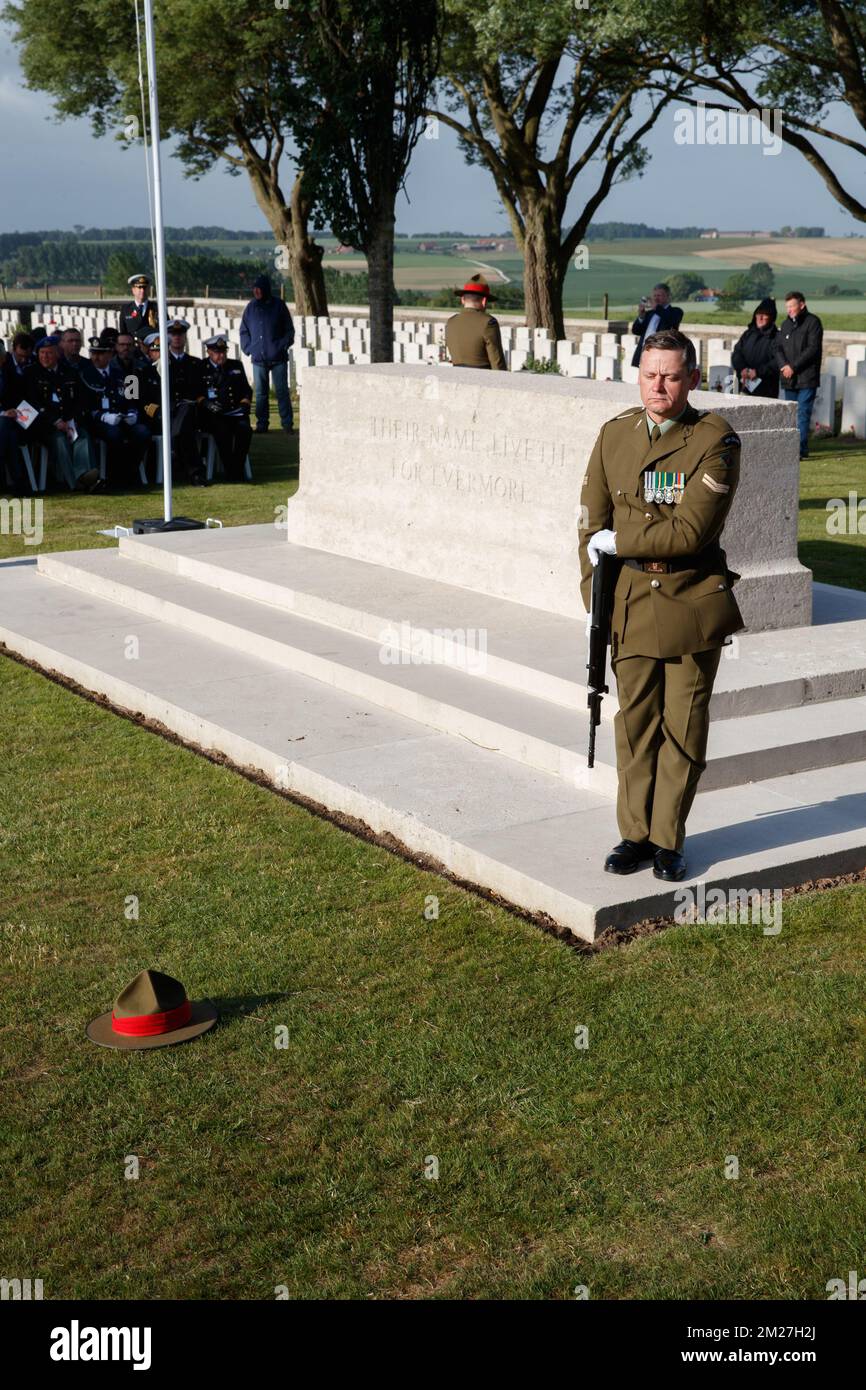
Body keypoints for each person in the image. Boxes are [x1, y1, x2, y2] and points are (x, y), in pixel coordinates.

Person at [578, 328, 745, 883]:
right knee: (634, 726)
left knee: (682, 727)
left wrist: (621, 545)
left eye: (672, 376)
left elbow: (690, 531)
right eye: (650, 375)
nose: (660, 386)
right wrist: (593, 603)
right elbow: (589, 525)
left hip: (689, 605)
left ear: (693, 379)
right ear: (639, 376)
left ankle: (669, 839)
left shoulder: (715, 441)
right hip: (627, 604)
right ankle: (634, 834)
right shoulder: (615, 434)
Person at [22, 334, 97, 491]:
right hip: (45, 426)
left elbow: (80, 400)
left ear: (58, 353)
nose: (45, 357)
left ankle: (86, 477)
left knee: (82, 435)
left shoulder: (69, 372)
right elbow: (32, 403)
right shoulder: (31, 373)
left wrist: (73, 420)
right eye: (42, 353)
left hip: (69, 422)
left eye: (49, 353)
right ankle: (74, 484)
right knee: (60, 440)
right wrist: (55, 421)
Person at [79, 335, 151, 488]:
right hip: (99, 422)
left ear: (110, 354)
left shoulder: (122, 374)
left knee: (143, 432)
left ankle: (130, 471)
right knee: (114, 434)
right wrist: (103, 416)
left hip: (122, 418)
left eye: (100, 353)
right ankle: (116, 476)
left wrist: (133, 413)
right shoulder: (85, 375)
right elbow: (85, 406)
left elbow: (133, 399)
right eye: (93, 353)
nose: (96, 357)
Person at [141, 323, 207, 485]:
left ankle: (176, 458)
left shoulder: (196, 364)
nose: (176, 337)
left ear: (185, 337)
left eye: (180, 334)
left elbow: (201, 391)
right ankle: (195, 472)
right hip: (163, 415)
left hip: (190, 413)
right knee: (181, 429)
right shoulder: (154, 367)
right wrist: (156, 412)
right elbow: (141, 398)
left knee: (185, 415)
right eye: (172, 334)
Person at [239, 274, 295, 434]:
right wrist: (248, 348)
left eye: (259, 288)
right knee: (261, 394)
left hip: (278, 358)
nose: (256, 291)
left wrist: (282, 346)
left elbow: (289, 331)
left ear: (266, 289)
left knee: (282, 392)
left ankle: (287, 424)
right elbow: (244, 330)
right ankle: (262, 424)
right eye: (254, 289)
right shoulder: (251, 308)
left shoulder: (279, 306)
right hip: (258, 359)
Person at [775, 291, 823, 460]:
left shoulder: (813, 323)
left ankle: (800, 450)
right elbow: (778, 348)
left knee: (802, 413)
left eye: (792, 306)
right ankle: (792, 449)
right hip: (789, 379)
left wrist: (793, 367)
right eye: (787, 306)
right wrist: (784, 366)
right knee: (791, 414)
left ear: (801, 305)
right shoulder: (785, 325)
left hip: (806, 378)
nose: (789, 310)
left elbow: (812, 349)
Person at [198, 334, 252, 481]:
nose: (221, 355)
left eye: (223, 352)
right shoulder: (201, 367)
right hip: (214, 415)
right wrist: (206, 403)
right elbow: (195, 391)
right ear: (208, 352)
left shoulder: (236, 365)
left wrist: (245, 402)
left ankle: (237, 468)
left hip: (235, 412)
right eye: (217, 352)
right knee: (222, 432)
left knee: (245, 430)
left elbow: (246, 389)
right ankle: (231, 470)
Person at [445, 274, 506, 369]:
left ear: (462, 300)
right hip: (482, 378)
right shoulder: (488, 323)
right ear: (484, 301)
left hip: (457, 377)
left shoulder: (451, 322)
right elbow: (497, 361)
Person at [0, 332, 34, 490]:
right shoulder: (6, 369)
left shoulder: (29, 365)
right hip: (6, 417)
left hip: (16, 415)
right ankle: (17, 480)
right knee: (8, 429)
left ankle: (15, 480)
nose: (24, 360)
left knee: (11, 432)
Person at [731, 298, 780, 398]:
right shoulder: (748, 334)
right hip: (744, 384)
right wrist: (742, 368)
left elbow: (777, 362)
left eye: (764, 315)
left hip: (766, 389)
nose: (760, 317)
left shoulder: (777, 337)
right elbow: (737, 353)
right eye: (758, 314)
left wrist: (758, 372)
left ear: (771, 317)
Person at [631, 284, 683, 367]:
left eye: (659, 295)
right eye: (654, 296)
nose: (656, 298)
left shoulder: (676, 311)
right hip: (643, 351)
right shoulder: (649, 314)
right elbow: (636, 331)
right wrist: (641, 317)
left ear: (668, 297)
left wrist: (656, 307)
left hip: (661, 352)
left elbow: (671, 320)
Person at [118, 273, 160, 343]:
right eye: (139, 287)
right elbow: (124, 333)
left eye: (145, 287)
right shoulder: (126, 310)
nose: (142, 290)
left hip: (152, 349)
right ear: (133, 290)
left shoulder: (157, 308)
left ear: (149, 289)